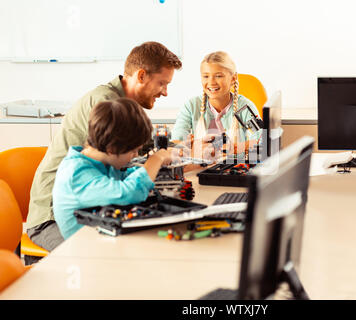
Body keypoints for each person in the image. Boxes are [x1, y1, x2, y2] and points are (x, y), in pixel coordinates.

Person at [26, 42, 182, 263]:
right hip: (51, 217)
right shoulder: (108, 103)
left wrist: (178, 150)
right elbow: (143, 153)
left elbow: (141, 149)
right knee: (107, 259)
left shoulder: (123, 106)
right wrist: (167, 155)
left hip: (90, 206)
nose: (165, 92)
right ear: (142, 75)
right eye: (162, 83)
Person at [53, 98, 177, 240]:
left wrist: (159, 168)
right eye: (133, 151)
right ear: (112, 148)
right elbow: (128, 193)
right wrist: (155, 159)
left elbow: (128, 175)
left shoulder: (100, 163)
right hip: (84, 249)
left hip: (105, 238)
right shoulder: (75, 173)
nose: (135, 155)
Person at [171, 51, 261, 158]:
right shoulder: (191, 106)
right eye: (206, 76)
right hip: (200, 170)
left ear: (233, 78)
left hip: (234, 169)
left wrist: (236, 148)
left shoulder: (245, 107)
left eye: (218, 76)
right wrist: (194, 145)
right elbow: (175, 142)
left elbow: (261, 139)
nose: (211, 82)